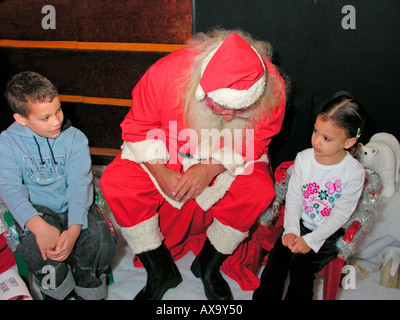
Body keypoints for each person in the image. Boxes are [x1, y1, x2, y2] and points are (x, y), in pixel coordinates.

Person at [100, 29, 286, 300]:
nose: (232, 117)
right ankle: (160, 269)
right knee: (116, 180)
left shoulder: (272, 84)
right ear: (201, 89)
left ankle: (208, 265)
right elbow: (138, 129)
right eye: (223, 107)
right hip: (169, 149)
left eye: (242, 110)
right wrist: (160, 170)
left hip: (230, 154)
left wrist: (212, 166)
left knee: (258, 188)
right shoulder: (165, 74)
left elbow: (259, 135)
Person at [0, 71, 118, 300]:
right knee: (34, 247)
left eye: (58, 111)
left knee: (101, 237)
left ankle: (88, 287)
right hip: (37, 209)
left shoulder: (75, 138)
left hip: (75, 205)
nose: (56, 121)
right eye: (45, 118)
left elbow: (78, 184)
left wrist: (74, 229)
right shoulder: (7, 142)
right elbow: (10, 188)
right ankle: (57, 290)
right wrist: (39, 227)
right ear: (21, 119)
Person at [253, 92, 367, 300]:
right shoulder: (304, 160)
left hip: (329, 234)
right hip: (300, 224)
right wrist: (291, 230)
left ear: (349, 142)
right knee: (276, 262)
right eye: (316, 131)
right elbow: (295, 197)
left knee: (301, 268)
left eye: (326, 138)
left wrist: (311, 240)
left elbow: (340, 214)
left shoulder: (354, 172)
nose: (316, 140)